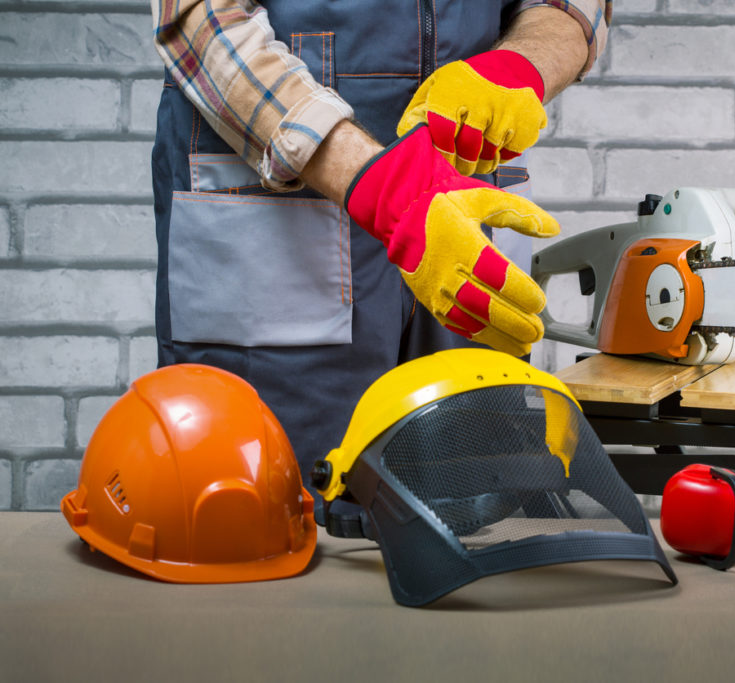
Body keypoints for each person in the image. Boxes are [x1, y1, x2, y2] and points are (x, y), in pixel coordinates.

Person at [149, 1, 612, 483]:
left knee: (470, 511)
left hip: (464, 216)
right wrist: (379, 183)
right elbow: (200, 19)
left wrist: (519, 63)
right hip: (284, 214)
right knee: (270, 506)